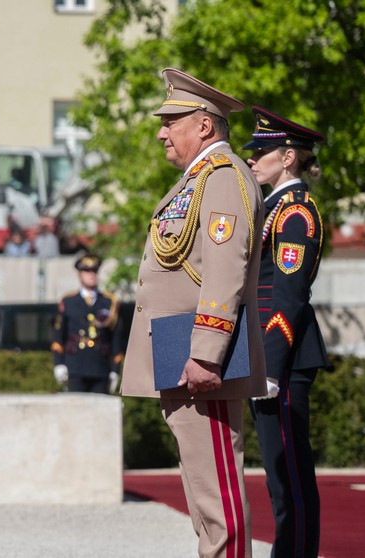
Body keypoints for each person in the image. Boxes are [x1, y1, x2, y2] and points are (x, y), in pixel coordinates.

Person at [120, 68, 267, 558]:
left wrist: (206, 355)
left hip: (201, 361)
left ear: (204, 125)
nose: (162, 131)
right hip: (177, 352)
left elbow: (226, 271)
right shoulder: (197, 180)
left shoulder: (224, 178)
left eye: (171, 120)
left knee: (218, 497)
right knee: (203, 499)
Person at [244, 106, 328, 558]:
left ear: (289, 157)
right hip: (267, 353)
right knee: (278, 472)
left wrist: (271, 367)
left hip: (284, 357)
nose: (252, 159)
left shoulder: (295, 214)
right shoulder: (272, 208)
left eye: (263, 151)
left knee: (289, 472)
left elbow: (288, 297)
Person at [51, 254, 124, 394]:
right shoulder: (69, 302)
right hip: (75, 366)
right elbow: (58, 336)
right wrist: (58, 364)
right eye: (87, 271)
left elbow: (116, 339)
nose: (92, 275)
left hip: (100, 366)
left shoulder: (109, 302)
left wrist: (115, 370)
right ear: (80, 275)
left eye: (94, 271)